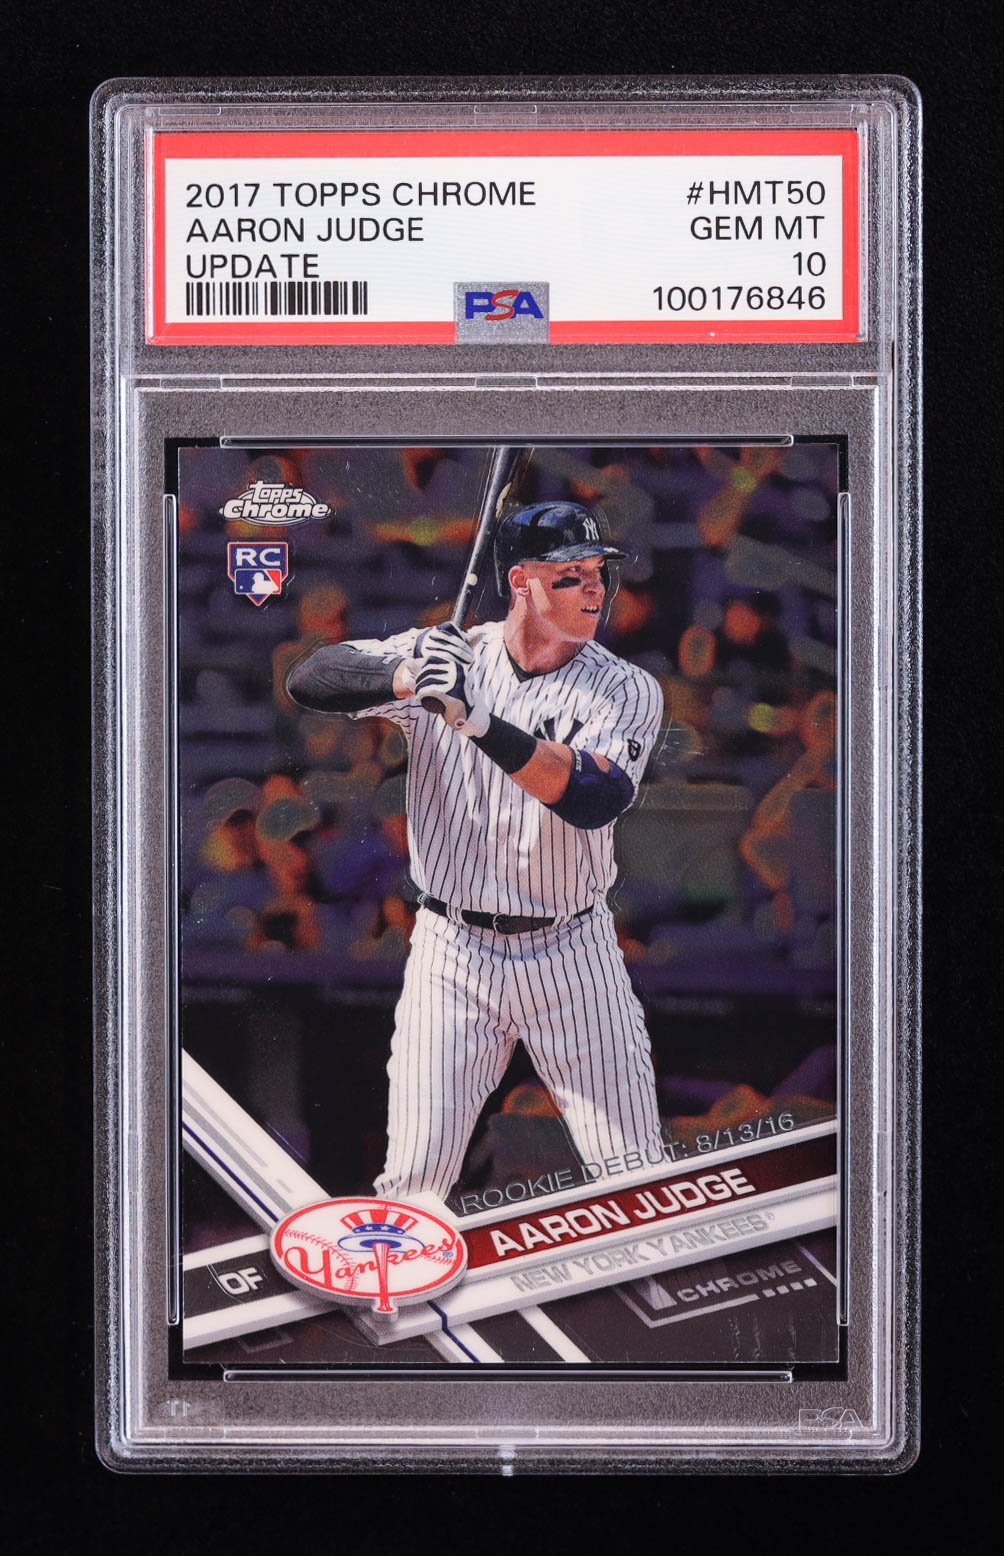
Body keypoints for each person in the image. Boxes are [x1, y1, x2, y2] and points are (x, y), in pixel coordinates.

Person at [286, 501, 667, 1200]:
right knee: (413, 1180)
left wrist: (480, 722)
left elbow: (594, 797)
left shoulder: (625, 686)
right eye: (571, 575)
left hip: (571, 949)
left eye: (598, 573)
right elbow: (310, 676)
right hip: (452, 951)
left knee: (634, 1175)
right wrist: (407, 678)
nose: (595, 589)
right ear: (521, 581)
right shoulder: (452, 653)